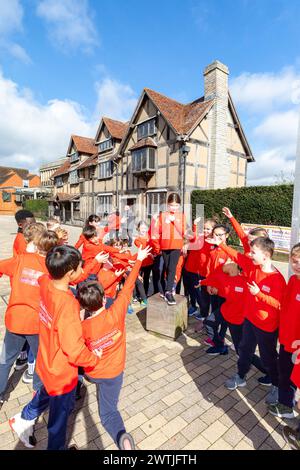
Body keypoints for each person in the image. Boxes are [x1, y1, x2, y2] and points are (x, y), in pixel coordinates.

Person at [9, 245, 101, 450]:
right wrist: (95, 359)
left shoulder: (45, 282)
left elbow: (69, 278)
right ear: (69, 273)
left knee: (45, 393)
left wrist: (92, 264)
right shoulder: (68, 306)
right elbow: (74, 350)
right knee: (58, 423)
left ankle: (23, 418)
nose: (80, 272)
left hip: (46, 359)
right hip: (62, 372)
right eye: (79, 268)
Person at [77, 244, 152, 450]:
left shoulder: (82, 327)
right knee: (109, 412)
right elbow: (128, 287)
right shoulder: (116, 312)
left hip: (94, 370)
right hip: (115, 372)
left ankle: (77, 385)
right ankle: (122, 439)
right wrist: (139, 259)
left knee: (78, 370)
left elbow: (77, 349)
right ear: (104, 299)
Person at [214, 236, 286, 404]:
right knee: (244, 350)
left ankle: (276, 384)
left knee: (268, 358)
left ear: (266, 255)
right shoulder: (252, 267)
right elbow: (237, 256)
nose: (250, 254)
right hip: (249, 321)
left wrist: (259, 295)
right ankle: (240, 376)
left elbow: (279, 305)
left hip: (267, 327)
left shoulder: (277, 279)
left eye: (253, 252)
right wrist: (221, 245)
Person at [0, 227, 59, 408]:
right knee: (41, 360)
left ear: (36, 244)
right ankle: (38, 395)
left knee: (6, 359)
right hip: (37, 323)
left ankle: (0, 395)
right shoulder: (53, 268)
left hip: (15, 319)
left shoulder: (21, 259)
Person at [267, 243, 300, 419]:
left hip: (297, 345)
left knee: (288, 376)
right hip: (286, 339)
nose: (298, 265)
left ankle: (286, 406)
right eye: (295, 261)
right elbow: (284, 308)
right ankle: (287, 403)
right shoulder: (293, 280)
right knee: (285, 374)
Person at [150, 193, 187, 306]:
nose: (174, 208)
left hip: (176, 245)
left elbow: (184, 232)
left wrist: (174, 221)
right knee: (166, 268)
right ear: (167, 205)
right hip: (165, 246)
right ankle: (165, 289)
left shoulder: (182, 216)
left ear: (179, 205)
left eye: (176, 205)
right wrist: (154, 220)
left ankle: (168, 291)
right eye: (171, 205)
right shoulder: (162, 215)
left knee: (172, 268)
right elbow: (156, 232)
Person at [183, 217, 216, 320]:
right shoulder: (200, 237)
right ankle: (193, 307)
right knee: (191, 290)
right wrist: (195, 225)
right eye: (204, 228)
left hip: (201, 273)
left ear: (213, 230)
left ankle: (204, 313)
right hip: (189, 268)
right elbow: (192, 238)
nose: (205, 231)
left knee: (201, 294)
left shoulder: (214, 242)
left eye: (208, 229)